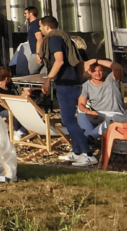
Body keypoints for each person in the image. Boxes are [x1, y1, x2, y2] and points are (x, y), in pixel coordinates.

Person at [38, 15, 95, 167]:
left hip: (66, 83)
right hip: (72, 82)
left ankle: (87, 154)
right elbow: (75, 61)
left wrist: (48, 79)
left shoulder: (54, 38)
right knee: (69, 119)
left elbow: (59, 60)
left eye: (40, 27)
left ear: (47, 27)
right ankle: (76, 152)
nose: (40, 30)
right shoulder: (65, 38)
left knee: (68, 120)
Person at [77, 58, 127, 139]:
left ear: (103, 71)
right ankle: (90, 140)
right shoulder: (86, 85)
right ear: (89, 72)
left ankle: (89, 138)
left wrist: (96, 60)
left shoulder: (112, 79)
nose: (97, 73)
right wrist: (88, 111)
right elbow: (81, 104)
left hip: (115, 114)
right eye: (94, 71)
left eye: (100, 70)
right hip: (98, 114)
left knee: (111, 120)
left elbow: (118, 67)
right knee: (81, 114)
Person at [0, 66, 29, 140]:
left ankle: (21, 131)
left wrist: (22, 96)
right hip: (0, 112)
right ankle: (19, 132)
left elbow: (15, 98)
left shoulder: (9, 86)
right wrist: (22, 97)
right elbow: (6, 106)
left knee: (33, 112)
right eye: (10, 76)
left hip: (12, 109)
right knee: (16, 112)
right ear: (6, 79)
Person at [24, 6, 45, 74]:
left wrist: (37, 54)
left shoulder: (35, 24)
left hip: (37, 53)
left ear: (31, 13)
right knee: (42, 76)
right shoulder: (33, 25)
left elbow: (39, 39)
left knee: (32, 75)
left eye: (26, 13)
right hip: (40, 53)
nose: (24, 15)